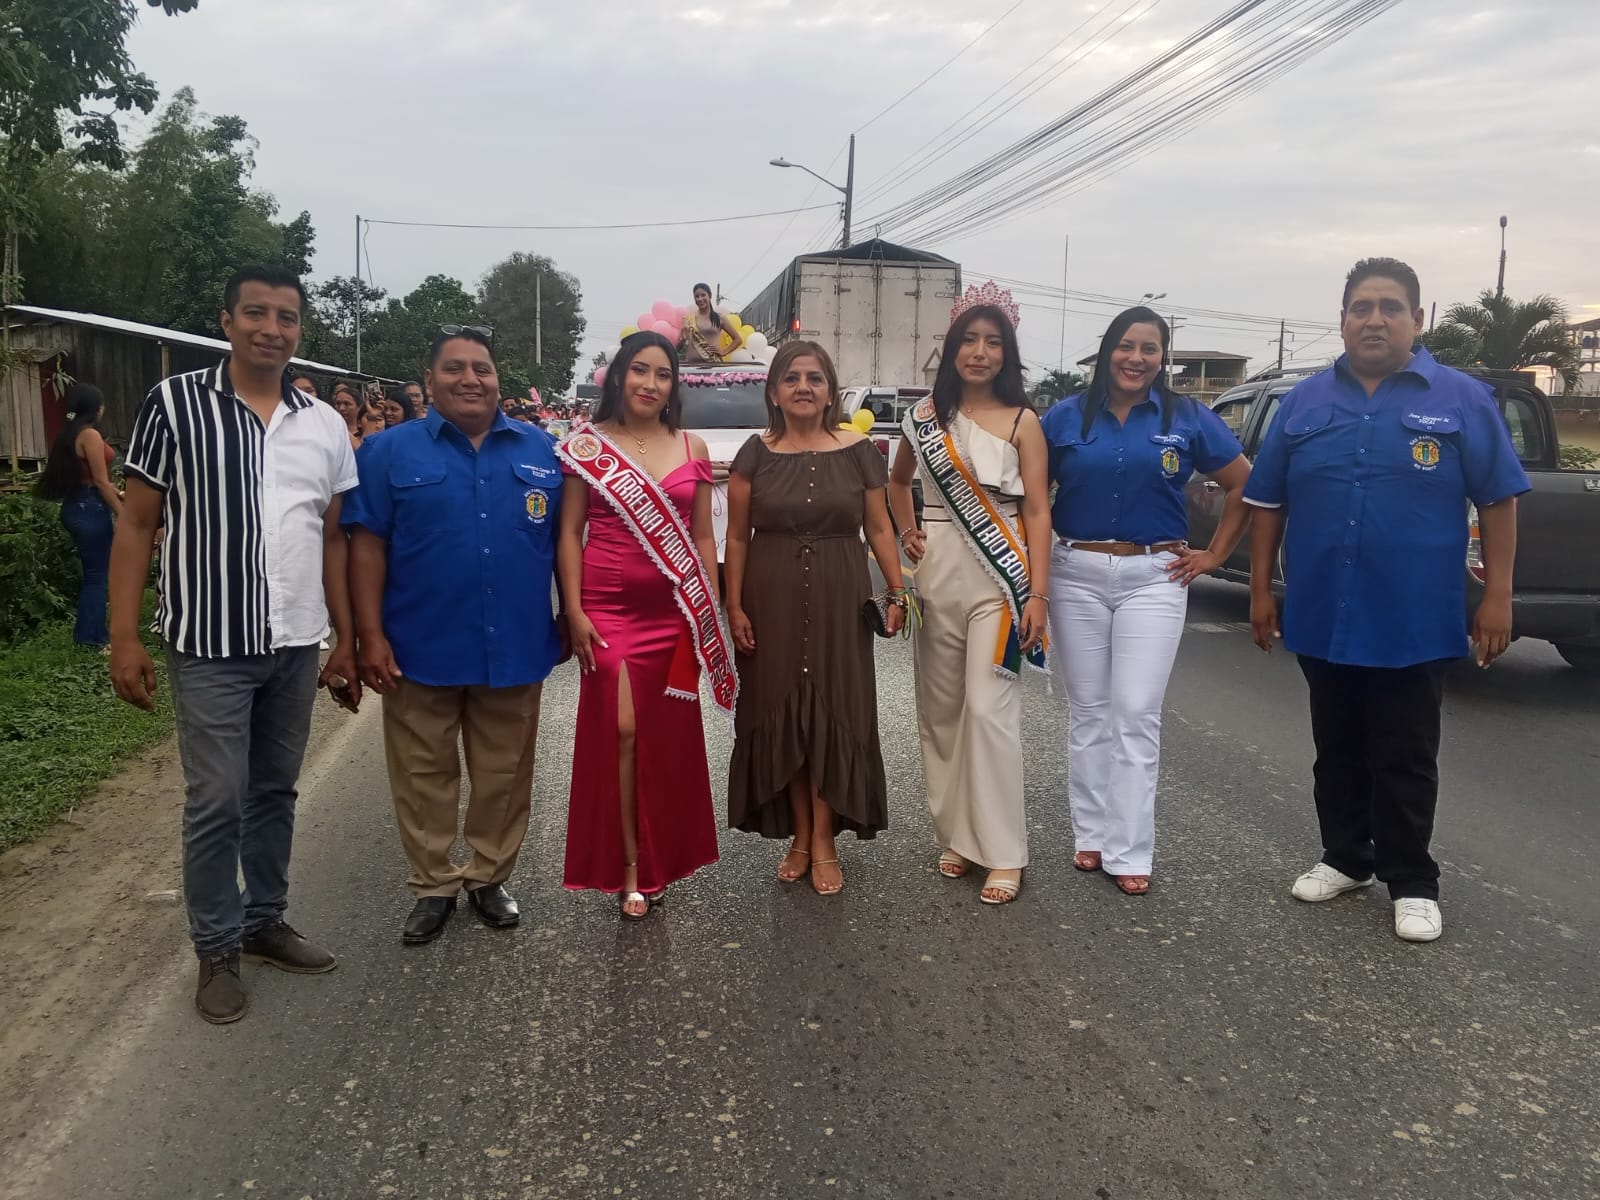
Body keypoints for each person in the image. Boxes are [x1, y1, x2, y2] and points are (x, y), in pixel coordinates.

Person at [1244, 257, 1529, 944]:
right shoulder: (1304, 403)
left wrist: (1498, 595)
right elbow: (1268, 502)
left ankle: (1413, 881)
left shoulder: (1462, 400)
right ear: (1343, 320)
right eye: (1362, 307)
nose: (1375, 320)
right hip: (1324, 610)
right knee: (1336, 747)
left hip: (1414, 616)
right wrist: (1258, 591)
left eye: (1391, 307)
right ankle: (1346, 858)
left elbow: (1498, 499)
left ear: (1417, 319)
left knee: (1404, 754)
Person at [107, 264, 359, 1024]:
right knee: (216, 797)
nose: (271, 329)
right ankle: (216, 946)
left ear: (299, 329)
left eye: (286, 317)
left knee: (274, 790)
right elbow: (138, 523)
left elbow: (334, 539)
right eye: (256, 313)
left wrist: (345, 638)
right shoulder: (174, 404)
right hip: (210, 643)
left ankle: (263, 922)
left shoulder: (324, 423)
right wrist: (124, 635)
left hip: (294, 642)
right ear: (227, 322)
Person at [344, 327, 566, 945]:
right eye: (454, 369)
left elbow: (569, 542)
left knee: (504, 775)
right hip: (419, 643)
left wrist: (571, 615)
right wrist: (368, 635)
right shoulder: (386, 453)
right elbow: (366, 547)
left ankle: (489, 876)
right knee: (423, 773)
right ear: (429, 381)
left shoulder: (544, 450)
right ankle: (434, 884)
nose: (470, 379)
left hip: (515, 643)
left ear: (497, 379)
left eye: (482, 369)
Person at [1041, 307, 1251, 896]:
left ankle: (1129, 848)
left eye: (1150, 349)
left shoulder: (1186, 417)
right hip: (1075, 572)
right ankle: (1090, 834)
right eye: (1126, 346)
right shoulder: (1063, 417)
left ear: (1163, 358)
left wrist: (1215, 555)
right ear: (1107, 351)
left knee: (1135, 711)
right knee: (1089, 711)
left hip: (1155, 576)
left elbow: (1243, 482)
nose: (1136, 358)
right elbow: (1029, 495)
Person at [555, 330, 731, 919]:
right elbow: (570, 532)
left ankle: (656, 861)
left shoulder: (691, 445)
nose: (650, 384)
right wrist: (574, 610)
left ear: (673, 385)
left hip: (674, 614)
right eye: (639, 370)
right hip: (606, 610)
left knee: (666, 741)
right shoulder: (587, 446)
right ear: (619, 376)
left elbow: (703, 537)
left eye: (663, 374)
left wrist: (707, 609)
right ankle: (626, 864)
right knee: (622, 730)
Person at [887, 283, 1051, 906]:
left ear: (1007, 354)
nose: (980, 352)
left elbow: (1038, 510)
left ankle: (1004, 851)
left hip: (1000, 574)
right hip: (938, 572)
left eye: (993, 342)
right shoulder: (923, 418)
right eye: (970, 340)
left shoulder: (1023, 421)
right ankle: (958, 835)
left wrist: (1038, 594)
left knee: (988, 709)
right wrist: (908, 530)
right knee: (942, 711)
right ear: (952, 348)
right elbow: (897, 482)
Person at [724, 342, 907, 895]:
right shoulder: (753, 453)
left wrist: (898, 592)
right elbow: (737, 537)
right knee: (785, 713)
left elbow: (879, 527)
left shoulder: (860, 452)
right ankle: (800, 836)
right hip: (770, 597)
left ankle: (824, 838)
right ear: (774, 391)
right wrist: (734, 605)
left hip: (840, 598)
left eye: (815, 378)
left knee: (833, 712)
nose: (803, 387)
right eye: (791, 378)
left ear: (831, 392)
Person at [34, 383, 124, 648]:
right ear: (96, 408)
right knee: (97, 576)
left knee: (95, 575)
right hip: (90, 507)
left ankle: (91, 636)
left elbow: (97, 482)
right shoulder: (90, 435)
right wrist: (123, 515)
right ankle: (92, 640)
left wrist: (117, 495)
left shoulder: (71, 434)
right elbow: (100, 481)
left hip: (79, 505)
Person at [681, 283, 746, 364]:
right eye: (697, 296)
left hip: (712, 364)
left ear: (710, 296)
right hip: (691, 365)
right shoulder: (689, 319)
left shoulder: (720, 318)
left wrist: (724, 352)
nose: (700, 299)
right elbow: (679, 346)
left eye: (703, 295)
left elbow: (738, 340)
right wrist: (683, 339)